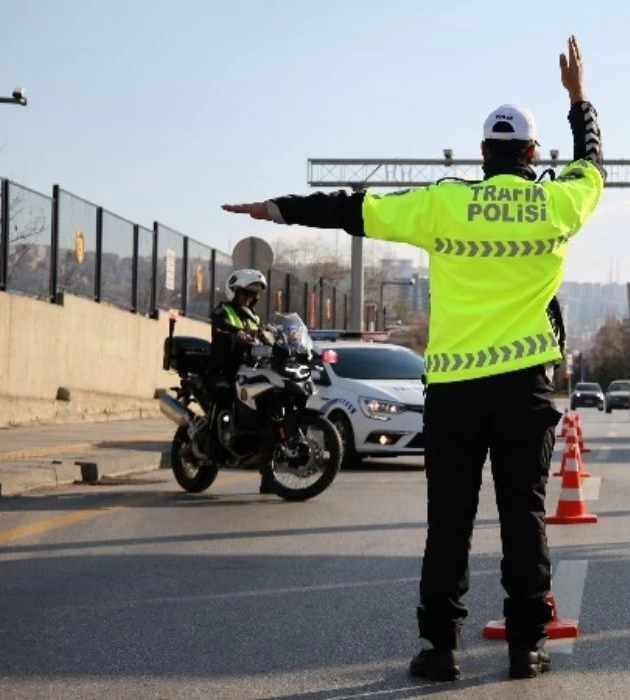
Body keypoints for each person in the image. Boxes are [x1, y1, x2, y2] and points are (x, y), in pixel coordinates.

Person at [221, 35, 604, 681]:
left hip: (454, 389)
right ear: (533, 154)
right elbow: (594, 163)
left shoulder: (442, 201)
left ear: (484, 154)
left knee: (448, 521)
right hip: (524, 388)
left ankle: (439, 649)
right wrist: (579, 99)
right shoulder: (559, 201)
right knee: (524, 516)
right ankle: (525, 647)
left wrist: (276, 209)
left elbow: (352, 209)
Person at [209, 268, 272, 494]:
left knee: (267, 415)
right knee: (224, 397)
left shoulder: (254, 317)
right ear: (234, 292)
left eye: (252, 295)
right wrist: (236, 332)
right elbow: (220, 321)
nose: (248, 298)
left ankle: (269, 477)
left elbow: (264, 337)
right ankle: (217, 443)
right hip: (223, 369)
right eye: (244, 293)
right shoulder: (223, 310)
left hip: (249, 372)